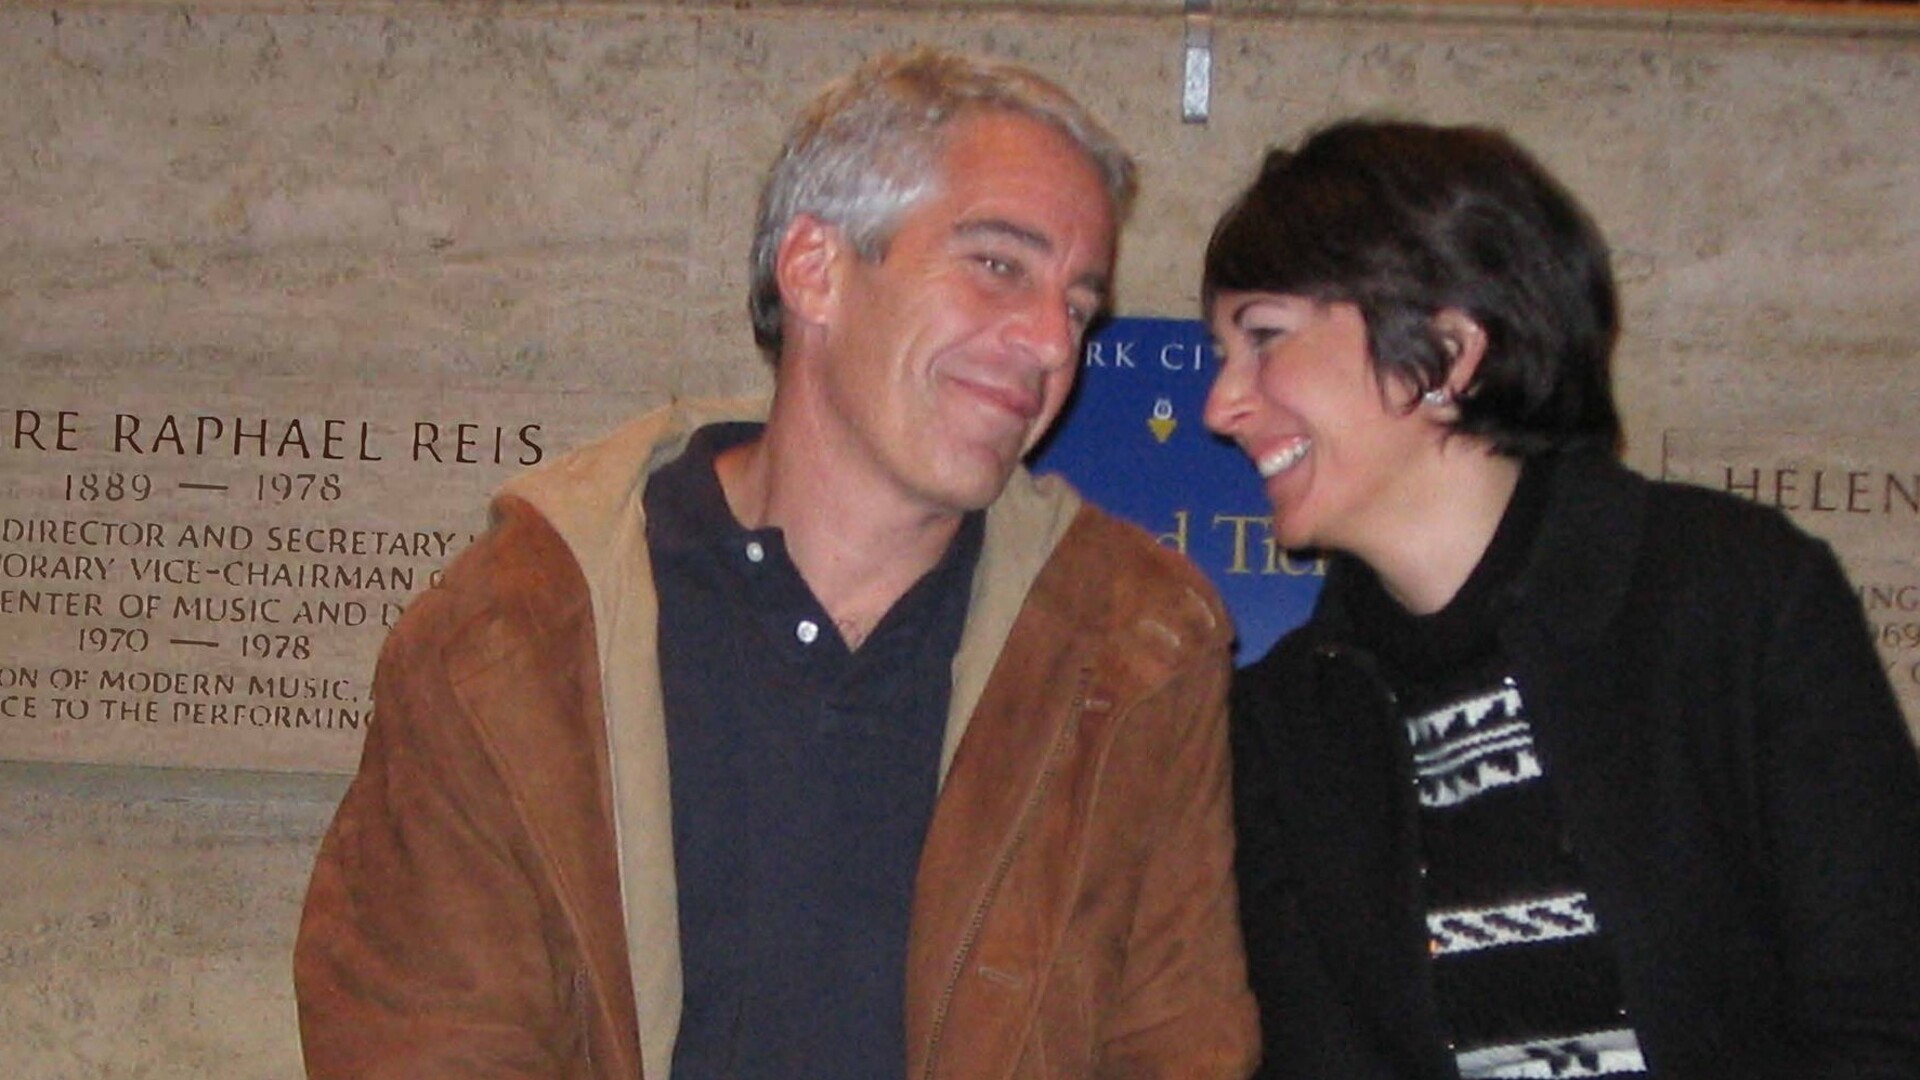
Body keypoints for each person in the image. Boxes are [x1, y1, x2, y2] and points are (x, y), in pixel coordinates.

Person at [294, 47, 1258, 1080]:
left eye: (1076, 304)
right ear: (813, 268)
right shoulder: (511, 637)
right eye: (997, 265)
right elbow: (424, 1040)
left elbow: (1177, 1049)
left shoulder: (1135, 649)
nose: (1050, 344)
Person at [1202, 119, 1920, 1080]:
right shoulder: (1287, 722)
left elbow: (1883, 1017)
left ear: (1447, 353)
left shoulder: (1735, 598)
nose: (1221, 406)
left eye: (1264, 339)